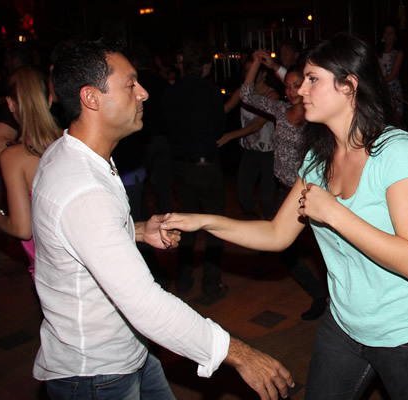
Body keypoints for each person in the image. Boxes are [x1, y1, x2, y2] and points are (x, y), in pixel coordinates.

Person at [162, 33, 408, 399]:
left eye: (313, 79)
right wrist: (205, 222)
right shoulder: (317, 159)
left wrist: (334, 213)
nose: (300, 90)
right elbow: (275, 234)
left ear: (349, 86)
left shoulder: (395, 151)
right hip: (345, 325)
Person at [31, 39, 294, 400]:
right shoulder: (83, 189)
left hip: (131, 350)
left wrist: (135, 230)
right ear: (91, 98)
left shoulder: (72, 155)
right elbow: (145, 304)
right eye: (130, 85)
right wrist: (238, 354)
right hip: (98, 373)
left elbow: (78, 238)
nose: (143, 93)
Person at [238, 54, 328, 320]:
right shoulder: (279, 110)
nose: (291, 91)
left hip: (313, 194)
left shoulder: (317, 115)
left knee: (329, 248)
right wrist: (258, 62)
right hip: (285, 193)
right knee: (286, 250)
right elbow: (246, 95)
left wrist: (277, 67)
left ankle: (340, 299)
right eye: (287, 86)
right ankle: (319, 295)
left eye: (296, 85)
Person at [0, 66, 61, 277]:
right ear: (50, 99)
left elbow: (22, 229)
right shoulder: (71, 140)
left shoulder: (14, 157)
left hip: (51, 265)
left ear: (10, 104)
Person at [162, 42, 228, 299]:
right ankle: (210, 286)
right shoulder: (210, 92)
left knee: (186, 226)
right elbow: (219, 128)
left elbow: (167, 128)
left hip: (180, 166)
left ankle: (183, 280)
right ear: (206, 65)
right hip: (206, 166)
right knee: (215, 227)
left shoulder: (171, 92)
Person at [219, 56, 279, 219]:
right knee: (243, 194)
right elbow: (224, 109)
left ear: (264, 73)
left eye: (253, 70)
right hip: (249, 150)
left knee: (267, 198)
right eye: (246, 70)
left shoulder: (272, 95)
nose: (249, 73)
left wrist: (229, 136)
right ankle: (256, 219)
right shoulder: (243, 92)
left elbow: (257, 125)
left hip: (269, 152)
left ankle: (270, 224)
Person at [378, 25, 404, 118]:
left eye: (391, 33)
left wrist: (378, 82)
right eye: (386, 32)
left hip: (393, 90)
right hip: (379, 89)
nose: (388, 35)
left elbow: (392, 75)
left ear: (395, 37)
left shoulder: (398, 53)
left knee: (394, 118)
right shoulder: (377, 52)